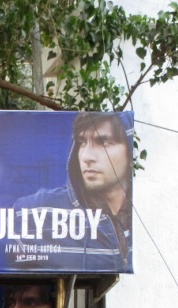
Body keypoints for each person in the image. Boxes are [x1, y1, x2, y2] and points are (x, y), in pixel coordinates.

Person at [10, 111, 133, 272]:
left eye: (103, 142)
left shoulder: (148, 215)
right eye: (82, 142)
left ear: (130, 153)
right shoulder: (35, 213)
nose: (86, 156)